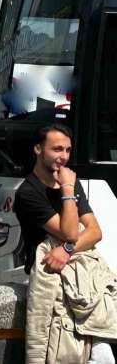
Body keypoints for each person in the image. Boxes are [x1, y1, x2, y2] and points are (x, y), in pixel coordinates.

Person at [14, 124, 115, 364]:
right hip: (51, 278)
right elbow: (70, 232)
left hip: (83, 278)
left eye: (68, 150)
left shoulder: (70, 180)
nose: (64, 156)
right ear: (38, 149)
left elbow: (95, 232)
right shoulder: (28, 192)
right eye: (57, 149)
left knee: (101, 353)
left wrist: (68, 250)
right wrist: (68, 190)